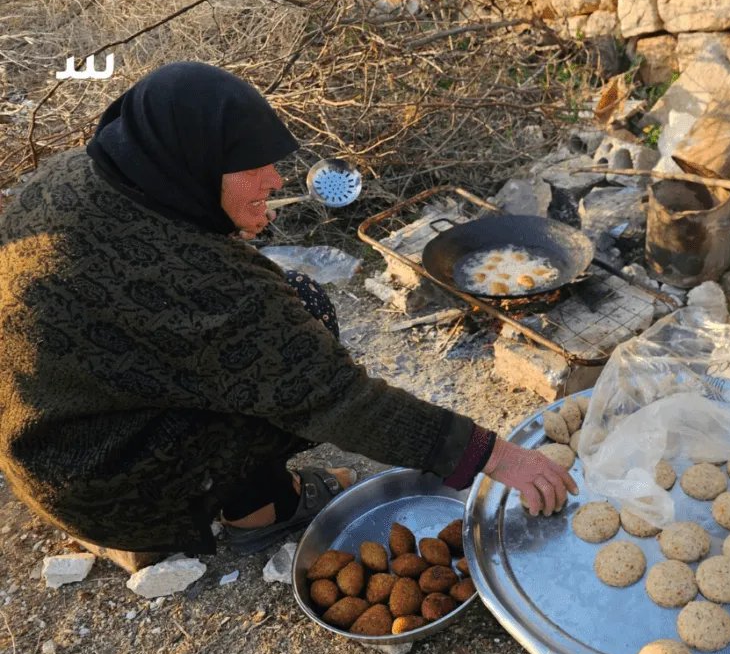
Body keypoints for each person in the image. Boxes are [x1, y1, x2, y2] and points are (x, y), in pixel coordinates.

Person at [0, 62, 576, 563]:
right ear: (195, 164)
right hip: (100, 481)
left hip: (48, 444)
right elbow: (333, 398)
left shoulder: (80, 177)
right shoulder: (199, 282)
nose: (276, 181)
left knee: (294, 300)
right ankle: (257, 512)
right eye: (255, 168)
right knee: (295, 332)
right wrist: (494, 456)